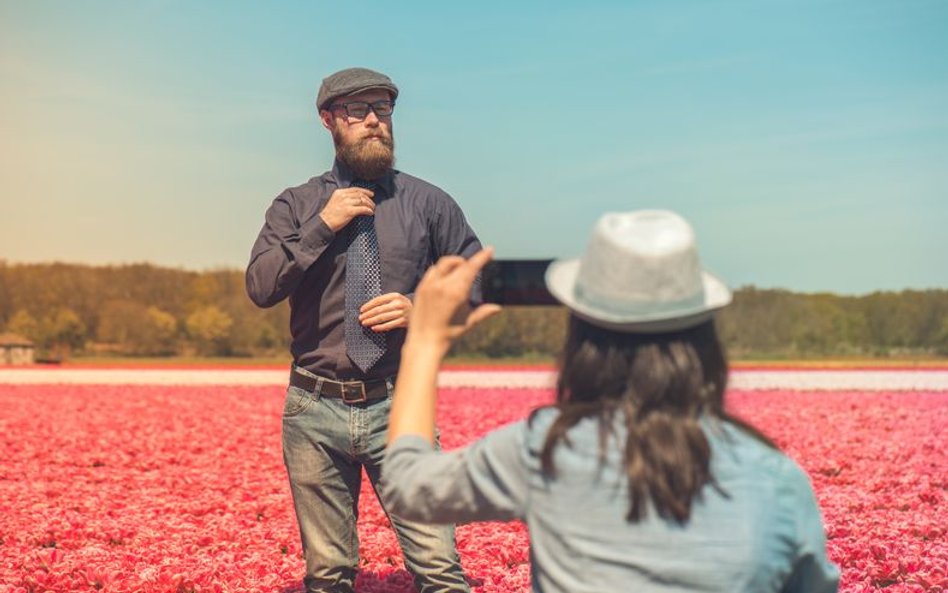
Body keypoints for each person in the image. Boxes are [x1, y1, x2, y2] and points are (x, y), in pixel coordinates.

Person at [381, 210, 840, 593]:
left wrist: (424, 341)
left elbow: (407, 484)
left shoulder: (547, 450)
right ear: (705, 338)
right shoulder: (775, 476)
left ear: (583, 339)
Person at [246, 67, 478, 593]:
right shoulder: (297, 206)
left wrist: (422, 307)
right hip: (313, 407)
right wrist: (321, 227)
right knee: (328, 577)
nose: (375, 121)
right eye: (358, 111)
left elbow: (477, 281)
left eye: (384, 110)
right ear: (328, 120)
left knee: (440, 570)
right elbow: (260, 286)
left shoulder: (428, 203)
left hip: (400, 404)